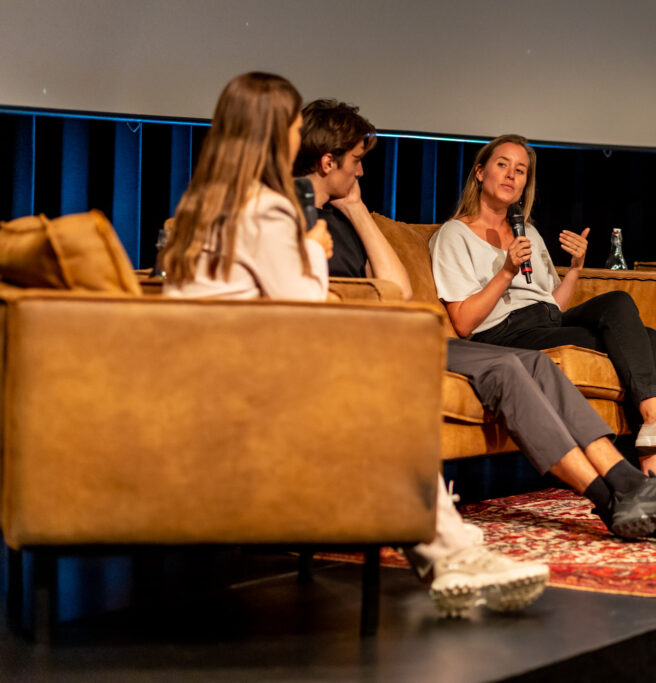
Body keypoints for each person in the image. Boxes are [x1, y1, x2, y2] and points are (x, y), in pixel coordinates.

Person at [159, 73, 547, 618]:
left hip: (199, 382)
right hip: (249, 393)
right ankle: (454, 554)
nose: (300, 138)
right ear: (276, 135)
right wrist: (312, 251)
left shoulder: (204, 206)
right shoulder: (270, 212)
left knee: (376, 397)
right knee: (381, 403)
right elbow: (304, 311)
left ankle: (450, 553)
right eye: (294, 126)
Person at [295, 101, 656, 547]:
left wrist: (359, 211)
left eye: (521, 169)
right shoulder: (295, 216)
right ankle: (619, 497)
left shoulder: (348, 218)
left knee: (560, 354)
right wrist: (503, 271)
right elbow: (425, 308)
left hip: (428, 332)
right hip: (388, 340)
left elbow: (395, 286)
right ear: (329, 162)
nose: (362, 174)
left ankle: (634, 481)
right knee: (511, 365)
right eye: (358, 162)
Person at [429, 134, 656, 481]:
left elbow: (552, 304)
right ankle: (654, 458)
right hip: (502, 334)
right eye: (502, 165)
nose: (512, 175)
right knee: (643, 341)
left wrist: (574, 269)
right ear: (480, 173)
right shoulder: (454, 234)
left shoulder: (527, 231)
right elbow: (465, 323)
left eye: (521, 170)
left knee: (624, 310)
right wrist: (507, 271)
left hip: (545, 322)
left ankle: (654, 427)